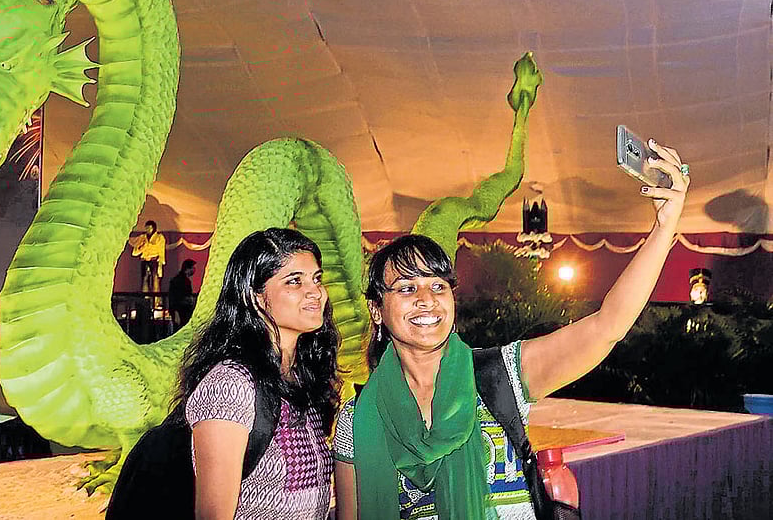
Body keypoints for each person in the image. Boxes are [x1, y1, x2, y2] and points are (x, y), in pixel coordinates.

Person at [334, 140, 690, 520]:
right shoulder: (358, 418)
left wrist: (664, 228)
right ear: (376, 309)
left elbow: (607, 326)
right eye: (406, 288)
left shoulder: (499, 374)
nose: (427, 299)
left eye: (438, 285)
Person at [177, 228, 341, 519]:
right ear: (256, 297)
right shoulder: (230, 386)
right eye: (294, 281)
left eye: (316, 279)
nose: (315, 292)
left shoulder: (302, 376)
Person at [129, 220, 166, 294]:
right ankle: (145, 300)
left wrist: (160, 265)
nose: (147, 230)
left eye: (149, 228)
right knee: (144, 280)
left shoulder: (159, 237)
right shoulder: (142, 237)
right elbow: (134, 253)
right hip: (144, 260)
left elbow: (161, 251)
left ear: (154, 228)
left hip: (154, 261)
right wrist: (142, 247)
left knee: (155, 280)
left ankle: (156, 302)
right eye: (146, 228)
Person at [169, 258, 197, 328]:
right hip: (182, 311)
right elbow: (174, 298)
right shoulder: (180, 281)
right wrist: (176, 312)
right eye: (192, 268)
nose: (194, 270)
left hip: (182, 311)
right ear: (187, 269)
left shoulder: (180, 279)